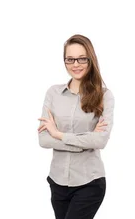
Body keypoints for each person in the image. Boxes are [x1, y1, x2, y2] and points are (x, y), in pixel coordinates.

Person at [38, 34, 115, 219]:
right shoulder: (54, 93)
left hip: (89, 182)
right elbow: (43, 139)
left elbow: (101, 140)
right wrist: (85, 141)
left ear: (90, 59)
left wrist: (58, 134)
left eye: (82, 58)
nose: (76, 64)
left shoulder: (104, 96)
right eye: (70, 59)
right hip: (57, 181)